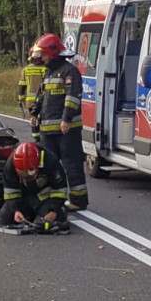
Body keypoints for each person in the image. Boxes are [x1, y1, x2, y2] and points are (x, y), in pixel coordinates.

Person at [29, 33, 88, 211]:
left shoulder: (70, 71)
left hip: (66, 130)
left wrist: (66, 119)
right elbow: (42, 96)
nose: (42, 59)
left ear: (53, 53)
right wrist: (34, 112)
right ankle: (51, 199)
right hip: (48, 130)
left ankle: (78, 201)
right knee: (47, 166)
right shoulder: (49, 72)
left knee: (72, 165)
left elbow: (72, 97)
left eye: (44, 55)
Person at [0, 141, 70, 234]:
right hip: (24, 199)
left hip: (45, 201)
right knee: (1, 221)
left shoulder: (50, 161)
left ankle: (57, 212)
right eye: (22, 173)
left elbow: (60, 190)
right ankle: (29, 216)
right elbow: (11, 192)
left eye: (30, 172)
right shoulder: (10, 164)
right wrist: (16, 210)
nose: (26, 176)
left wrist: (53, 211)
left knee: (43, 224)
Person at [16, 47, 46, 141]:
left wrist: (20, 99)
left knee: (34, 121)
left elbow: (21, 86)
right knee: (44, 121)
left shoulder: (26, 70)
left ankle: (36, 139)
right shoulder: (47, 69)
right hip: (45, 101)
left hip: (30, 102)